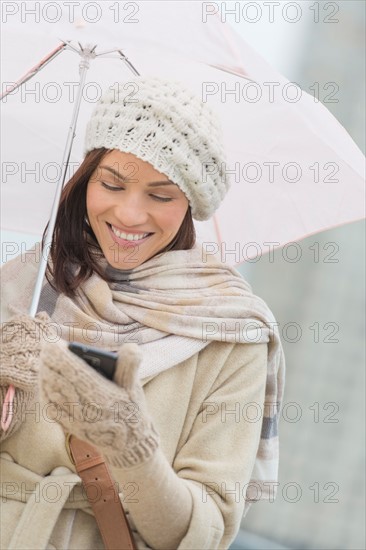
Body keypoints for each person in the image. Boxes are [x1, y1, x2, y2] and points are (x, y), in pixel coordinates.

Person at [0, 76, 285, 550]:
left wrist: (132, 449)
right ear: (87, 179)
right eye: (112, 183)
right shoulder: (22, 286)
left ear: (191, 204)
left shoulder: (230, 334)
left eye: (160, 195)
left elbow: (205, 535)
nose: (130, 215)